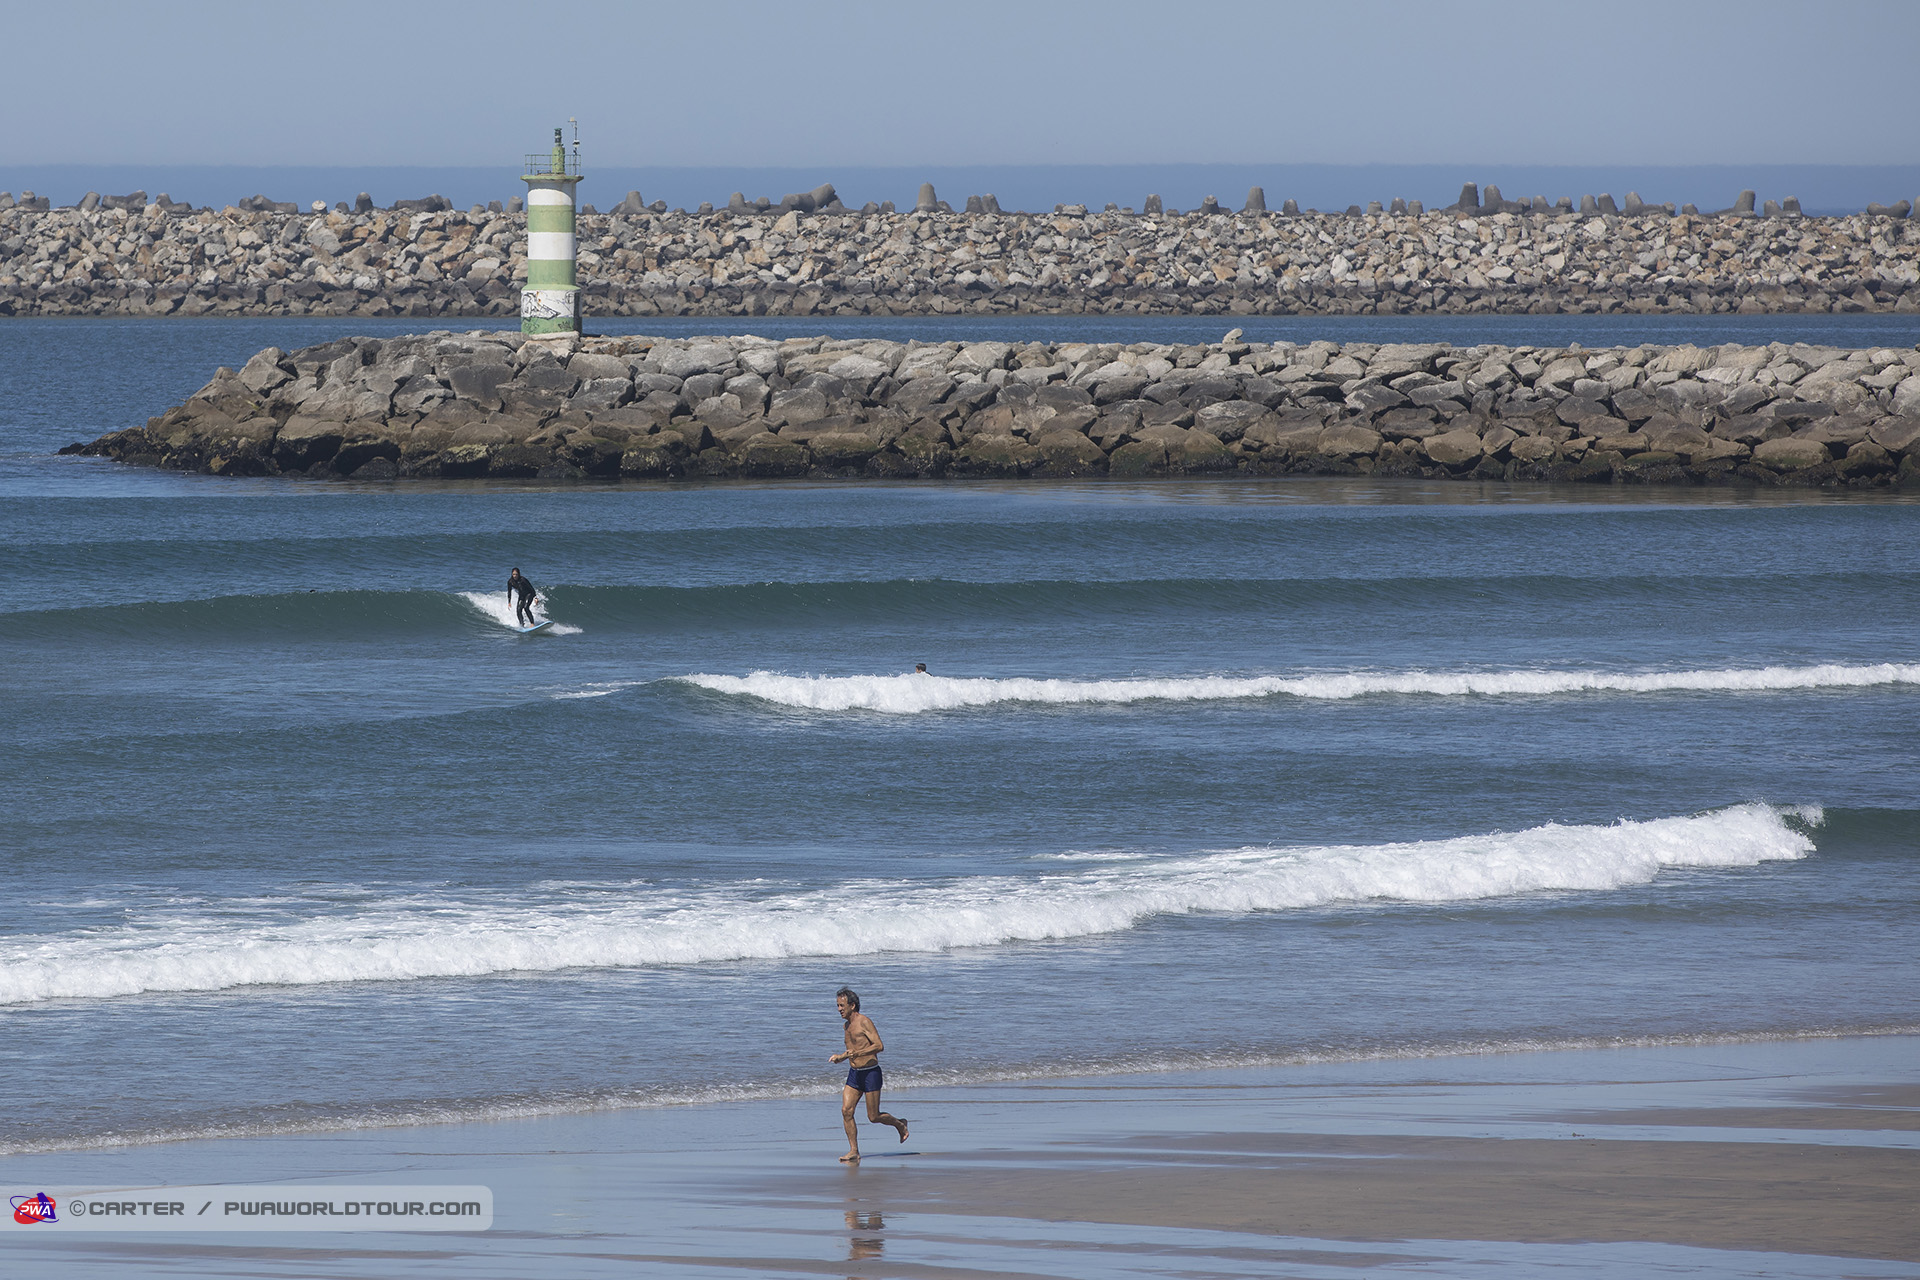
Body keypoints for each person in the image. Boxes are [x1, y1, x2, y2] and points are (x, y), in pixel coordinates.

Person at [829, 986, 907, 1161]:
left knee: (874, 1116)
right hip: (854, 1074)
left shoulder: (864, 1022)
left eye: (842, 1005)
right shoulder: (846, 1026)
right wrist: (840, 1058)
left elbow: (879, 1046)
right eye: (837, 1006)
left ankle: (900, 1124)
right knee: (846, 1111)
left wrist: (859, 1054)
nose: (839, 1009)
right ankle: (854, 1150)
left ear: (853, 1006)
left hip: (871, 1073)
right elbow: (851, 1051)